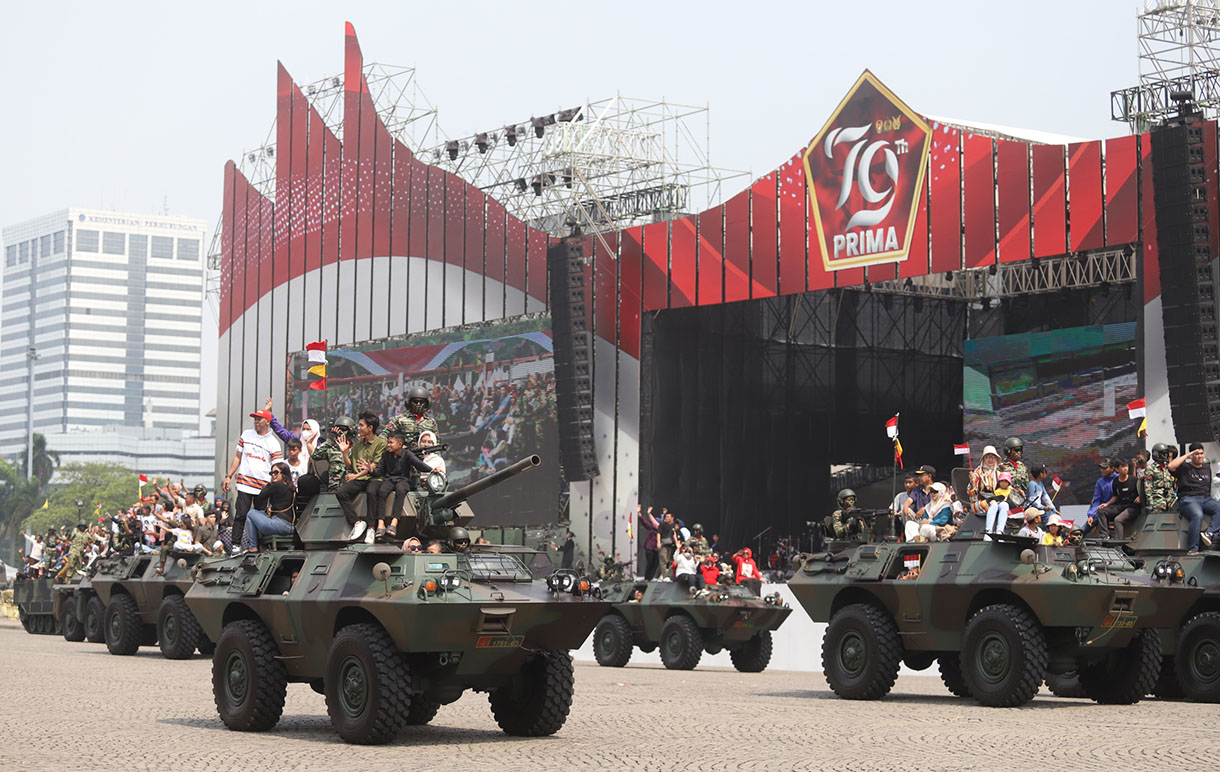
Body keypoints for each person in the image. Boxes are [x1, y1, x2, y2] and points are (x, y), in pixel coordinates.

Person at [221, 407, 283, 552]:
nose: (256, 421)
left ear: (267, 422)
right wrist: (229, 476)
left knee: (260, 516)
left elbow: (276, 467)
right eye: (255, 419)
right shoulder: (246, 435)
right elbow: (237, 457)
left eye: (259, 419)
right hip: (244, 484)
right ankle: (236, 545)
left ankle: (258, 545)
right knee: (241, 514)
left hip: (263, 486)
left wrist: (275, 486)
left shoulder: (273, 443)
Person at [364, 430, 433, 540]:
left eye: (391, 443)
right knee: (381, 491)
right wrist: (370, 470)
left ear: (400, 444)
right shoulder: (386, 455)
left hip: (403, 480)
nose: (388, 445)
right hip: (389, 479)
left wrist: (433, 470)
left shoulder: (407, 454)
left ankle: (394, 523)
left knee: (401, 491)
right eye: (388, 442)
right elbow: (379, 471)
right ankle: (381, 523)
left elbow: (420, 465)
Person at [336, 412, 388, 544]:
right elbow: (349, 465)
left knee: (372, 491)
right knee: (341, 493)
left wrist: (355, 475)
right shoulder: (357, 445)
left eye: (361, 425)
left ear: (370, 428)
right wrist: (344, 452)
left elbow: (374, 466)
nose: (358, 428)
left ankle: (371, 527)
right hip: (359, 479)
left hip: (374, 478)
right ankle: (357, 522)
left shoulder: (381, 444)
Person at [1172, 443, 1220, 554]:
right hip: (1188, 498)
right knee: (1197, 515)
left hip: (1205, 498)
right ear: (1192, 455)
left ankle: (1210, 533)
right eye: (1196, 454)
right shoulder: (1185, 467)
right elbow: (1171, 466)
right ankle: (1193, 548)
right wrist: (1186, 456)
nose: (1200, 456)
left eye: (1201, 453)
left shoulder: (1207, 467)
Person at [243, 462, 298, 555]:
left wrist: (268, 485)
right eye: (271, 473)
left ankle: (253, 547)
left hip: (279, 524)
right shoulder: (291, 488)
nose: (273, 475)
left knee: (251, 514)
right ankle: (259, 546)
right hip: (291, 526)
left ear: (284, 474)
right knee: (259, 514)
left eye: (276, 473)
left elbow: (260, 497)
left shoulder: (276, 485)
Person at [1099, 459, 1141, 540]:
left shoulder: (1134, 480)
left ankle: (1118, 543)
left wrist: (1140, 497)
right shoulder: (1116, 481)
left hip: (1132, 507)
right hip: (1121, 506)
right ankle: (1104, 536)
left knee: (1118, 520)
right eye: (1123, 467)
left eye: (1126, 466)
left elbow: (1142, 491)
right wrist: (1107, 504)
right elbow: (1115, 496)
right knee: (1101, 511)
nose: (1125, 469)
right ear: (1117, 469)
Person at [1084, 458, 1117, 538]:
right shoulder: (1100, 482)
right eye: (1101, 468)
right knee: (1089, 523)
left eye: (1105, 468)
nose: (1102, 470)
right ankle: (1078, 535)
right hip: (1102, 510)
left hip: (1116, 508)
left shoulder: (1118, 479)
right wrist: (1091, 515)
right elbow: (1097, 500)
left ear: (1112, 469)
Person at [1143, 442, 1178, 515]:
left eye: (1166, 453)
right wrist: (1150, 502)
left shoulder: (1167, 468)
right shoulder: (1151, 469)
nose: (1165, 456)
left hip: (1170, 497)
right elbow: (1148, 486)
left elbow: (1171, 485)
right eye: (1163, 453)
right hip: (1157, 497)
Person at [969, 446, 1003, 516]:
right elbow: (971, 493)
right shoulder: (978, 473)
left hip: (996, 500)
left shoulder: (999, 474)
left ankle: (1000, 527)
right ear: (984, 459)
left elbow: (1007, 487)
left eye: (993, 457)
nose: (990, 459)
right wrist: (972, 482)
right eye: (988, 457)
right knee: (993, 505)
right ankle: (989, 527)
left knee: (1004, 505)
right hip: (980, 503)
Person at [998, 438, 1028, 508]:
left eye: (1020, 450)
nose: (1019, 452)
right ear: (1008, 451)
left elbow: (1026, 485)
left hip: (1021, 501)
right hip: (1007, 500)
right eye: (1016, 450)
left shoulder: (1022, 467)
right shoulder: (1001, 467)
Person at [984, 472, 1015, 537]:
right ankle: (988, 530)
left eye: (1006, 481)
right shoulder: (997, 491)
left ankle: (1000, 530)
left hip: (1008, 507)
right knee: (995, 505)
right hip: (997, 505)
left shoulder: (1012, 490)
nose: (1004, 483)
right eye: (1002, 481)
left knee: (1004, 505)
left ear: (1009, 483)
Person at [638, 505, 660, 580]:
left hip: (655, 549)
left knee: (656, 563)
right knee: (650, 563)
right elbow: (644, 521)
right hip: (649, 548)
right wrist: (639, 513)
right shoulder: (651, 528)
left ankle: (651, 577)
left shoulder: (661, 530)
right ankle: (647, 578)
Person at [656, 511, 679, 579]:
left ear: (672, 518)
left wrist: (676, 542)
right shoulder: (662, 524)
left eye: (668, 517)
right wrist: (658, 542)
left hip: (670, 545)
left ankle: (656, 576)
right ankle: (665, 577)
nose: (667, 518)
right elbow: (658, 533)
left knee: (668, 561)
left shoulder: (673, 525)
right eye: (666, 517)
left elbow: (674, 534)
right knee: (663, 560)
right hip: (663, 545)